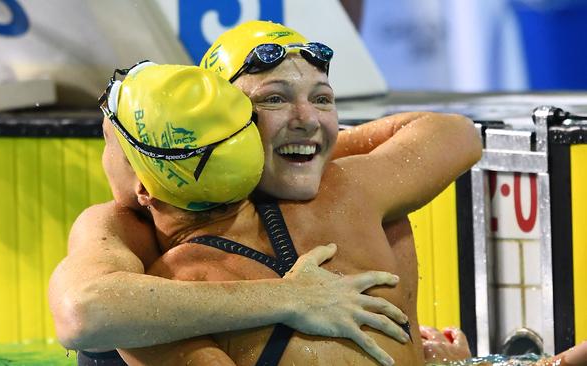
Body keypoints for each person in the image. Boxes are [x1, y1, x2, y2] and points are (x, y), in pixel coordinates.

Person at [95, 53, 480, 365]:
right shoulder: (354, 192)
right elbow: (458, 132)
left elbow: (88, 316)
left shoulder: (153, 309)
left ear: (144, 187)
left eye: (107, 141)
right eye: (276, 99)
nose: (306, 118)